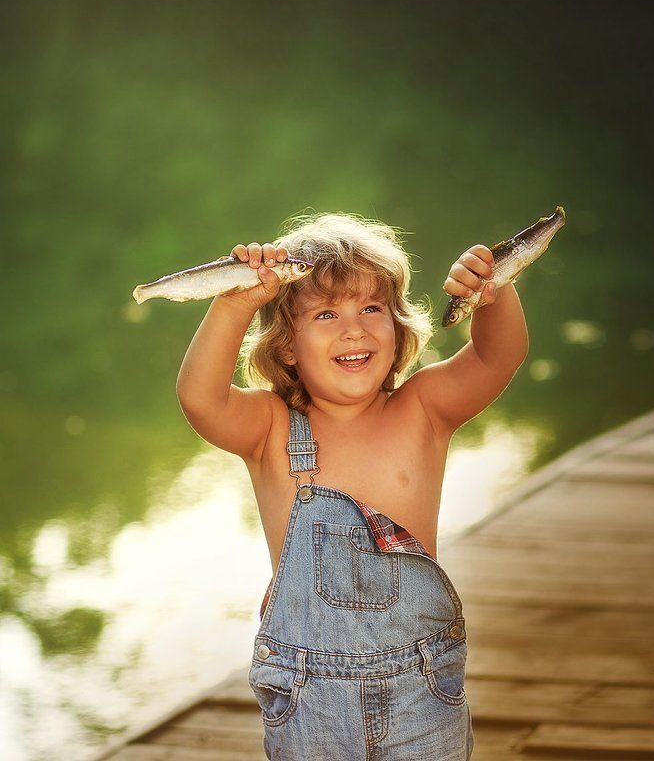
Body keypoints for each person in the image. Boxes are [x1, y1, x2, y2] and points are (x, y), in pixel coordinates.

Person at [176, 212, 529, 760]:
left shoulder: (424, 409)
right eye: (325, 313)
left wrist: (492, 293)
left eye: (372, 308)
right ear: (287, 346)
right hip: (309, 699)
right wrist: (235, 301)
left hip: (423, 690)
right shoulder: (269, 428)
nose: (354, 329)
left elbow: (495, 356)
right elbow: (200, 398)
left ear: (398, 327)